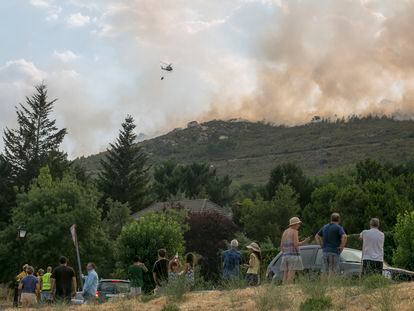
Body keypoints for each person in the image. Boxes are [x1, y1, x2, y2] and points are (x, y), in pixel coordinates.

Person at [315, 213, 347, 278]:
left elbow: (316, 236)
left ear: (331, 219)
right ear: (339, 219)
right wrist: (341, 247)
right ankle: (331, 286)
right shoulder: (338, 227)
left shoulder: (325, 227)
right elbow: (344, 236)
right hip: (334, 251)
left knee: (324, 270)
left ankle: (323, 286)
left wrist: (321, 245)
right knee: (333, 270)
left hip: (325, 252)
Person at [280, 217, 310, 284]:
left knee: (285, 272)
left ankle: (284, 287)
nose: (299, 225)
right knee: (291, 272)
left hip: (285, 255)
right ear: (294, 224)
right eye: (298, 224)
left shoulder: (285, 232)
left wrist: (284, 252)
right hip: (293, 255)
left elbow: (281, 245)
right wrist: (305, 241)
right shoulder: (295, 231)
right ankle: (288, 287)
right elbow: (296, 244)